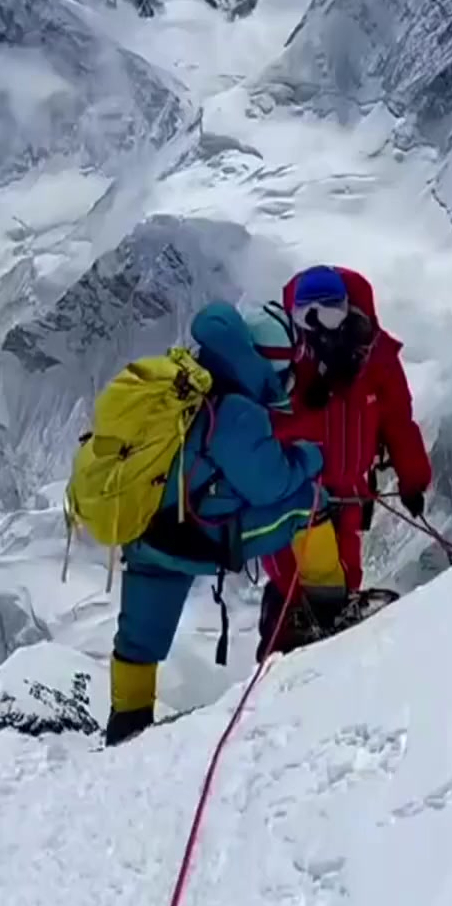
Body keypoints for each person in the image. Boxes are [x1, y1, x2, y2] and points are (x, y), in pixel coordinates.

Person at [105, 301, 324, 747]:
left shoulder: (185, 379)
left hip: (143, 527)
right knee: (308, 501)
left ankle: (127, 722)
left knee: (139, 638)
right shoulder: (237, 411)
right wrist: (310, 457)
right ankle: (330, 604)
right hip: (190, 537)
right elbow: (271, 484)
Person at [258, 264, 431, 653]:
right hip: (297, 490)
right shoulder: (286, 354)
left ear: (348, 308)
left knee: (344, 578)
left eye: (329, 312)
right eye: (308, 315)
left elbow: (397, 420)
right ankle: (283, 654)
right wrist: (304, 398)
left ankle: (315, 662)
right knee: (299, 583)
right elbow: (262, 423)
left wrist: (413, 478)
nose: (319, 325)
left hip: (350, 490)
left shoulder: (376, 357)